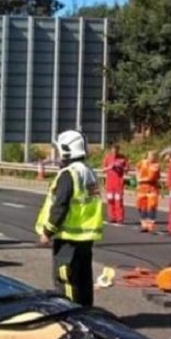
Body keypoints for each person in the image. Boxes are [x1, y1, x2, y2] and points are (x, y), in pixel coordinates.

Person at [35, 130, 103, 307]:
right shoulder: (88, 172)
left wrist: (48, 231)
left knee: (66, 280)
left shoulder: (68, 174)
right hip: (85, 237)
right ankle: (86, 314)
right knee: (83, 280)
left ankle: (69, 315)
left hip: (68, 239)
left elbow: (61, 205)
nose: (57, 156)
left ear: (66, 150)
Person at [102, 144, 130, 225]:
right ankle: (112, 217)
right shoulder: (107, 158)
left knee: (118, 201)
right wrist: (110, 167)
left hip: (118, 183)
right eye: (113, 150)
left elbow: (127, 169)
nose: (115, 152)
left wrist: (121, 167)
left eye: (116, 150)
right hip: (110, 183)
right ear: (111, 150)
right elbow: (103, 170)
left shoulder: (123, 158)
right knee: (110, 200)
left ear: (118, 150)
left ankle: (119, 218)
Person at [136, 150, 161, 233]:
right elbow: (137, 168)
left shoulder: (156, 165)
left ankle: (151, 226)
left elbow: (151, 178)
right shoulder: (142, 162)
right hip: (142, 188)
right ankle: (144, 225)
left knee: (152, 207)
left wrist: (141, 180)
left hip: (152, 188)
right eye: (149, 156)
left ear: (154, 157)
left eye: (152, 156)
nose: (150, 158)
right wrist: (137, 177)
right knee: (141, 206)